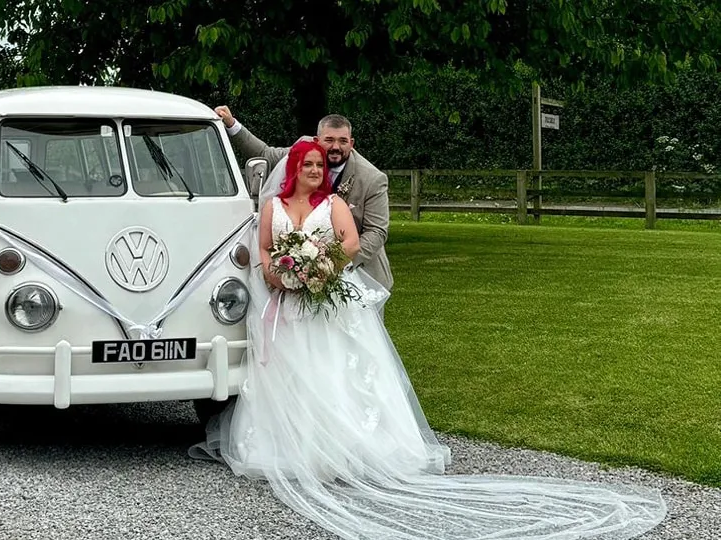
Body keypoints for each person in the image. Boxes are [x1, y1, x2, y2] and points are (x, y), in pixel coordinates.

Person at [188, 140, 666, 540]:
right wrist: (279, 276)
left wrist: (321, 271)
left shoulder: (332, 205)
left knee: (335, 372)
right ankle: (293, 448)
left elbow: (350, 243)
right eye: (307, 165)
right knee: (291, 376)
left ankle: (346, 449)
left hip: (327, 299)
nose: (315, 170)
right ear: (292, 168)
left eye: (319, 165)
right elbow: (267, 251)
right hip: (287, 307)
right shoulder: (271, 206)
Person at [215, 106, 394, 296]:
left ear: (351, 143)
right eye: (329, 140)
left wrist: (327, 267)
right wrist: (231, 124)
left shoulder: (372, 179)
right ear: (317, 141)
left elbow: (377, 232)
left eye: (343, 141)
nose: (336, 147)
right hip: (297, 274)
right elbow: (266, 154)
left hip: (359, 272)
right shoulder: (303, 150)